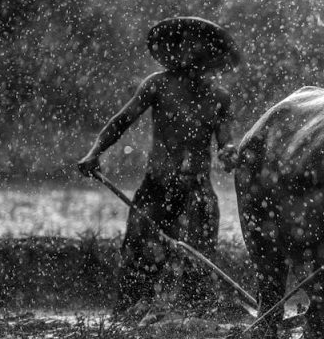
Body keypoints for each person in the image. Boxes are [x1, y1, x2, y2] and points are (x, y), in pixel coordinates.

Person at [77, 16, 240, 316]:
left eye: (198, 48)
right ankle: (129, 314)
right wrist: (94, 153)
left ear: (210, 57)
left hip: (197, 191)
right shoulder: (158, 85)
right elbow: (121, 121)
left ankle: (192, 317)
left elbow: (226, 142)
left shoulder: (219, 98)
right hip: (157, 186)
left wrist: (231, 153)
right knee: (139, 255)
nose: (191, 54)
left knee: (199, 260)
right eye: (185, 45)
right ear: (175, 50)